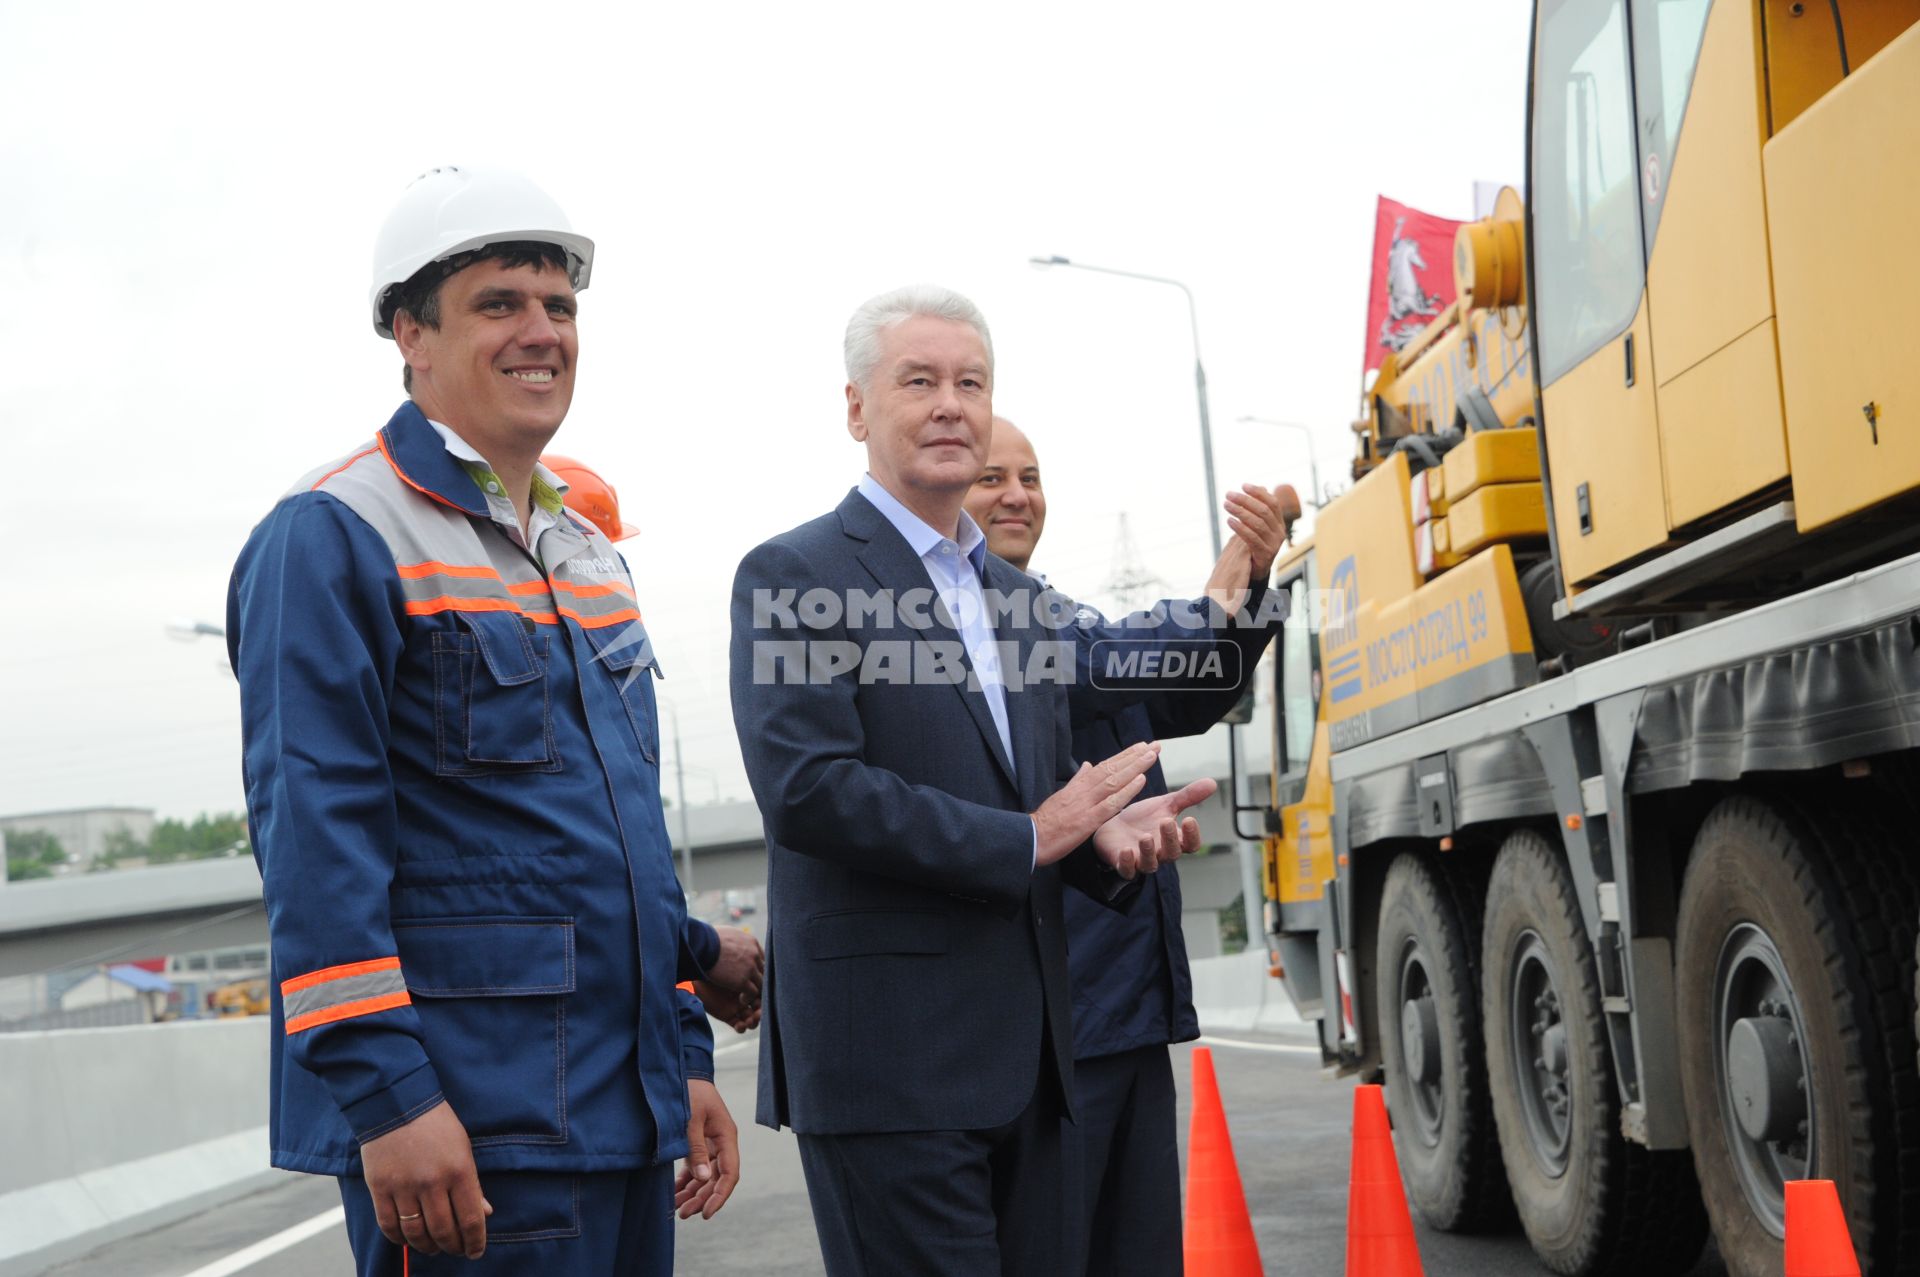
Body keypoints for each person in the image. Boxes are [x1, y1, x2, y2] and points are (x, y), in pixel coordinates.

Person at [227, 166, 738, 1277]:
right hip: (468, 1125)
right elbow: (316, 839)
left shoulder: (583, 551)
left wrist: (684, 1044)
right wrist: (391, 1095)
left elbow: (611, 850)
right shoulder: (334, 532)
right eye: (500, 303)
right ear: (409, 332)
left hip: (620, 1114)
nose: (541, 331)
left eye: (559, 305)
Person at [728, 283, 1218, 1277]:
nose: (951, 402)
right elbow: (811, 787)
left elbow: (1035, 798)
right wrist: (1034, 836)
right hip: (888, 1072)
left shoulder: (1020, 601)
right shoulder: (793, 575)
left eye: (971, 382)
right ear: (859, 409)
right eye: (921, 380)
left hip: (1036, 1067)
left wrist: (1100, 842)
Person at [965, 419, 1296, 1275]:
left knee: (1139, 1253)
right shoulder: (965, 634)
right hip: (1052, 1036)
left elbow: (1187, 696)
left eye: (1030, 476)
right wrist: (1216, 597)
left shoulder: (1064, 619)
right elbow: (1122, 661)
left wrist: (1256, 582)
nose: (1016, 494)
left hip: (1128, 1018)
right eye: (991, 476)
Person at [544, 451, 766, 1034]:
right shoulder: (555, 689)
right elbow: (592, 871)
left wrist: (689, 978)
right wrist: (702, 952)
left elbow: (632, 880)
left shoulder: (609, 674)